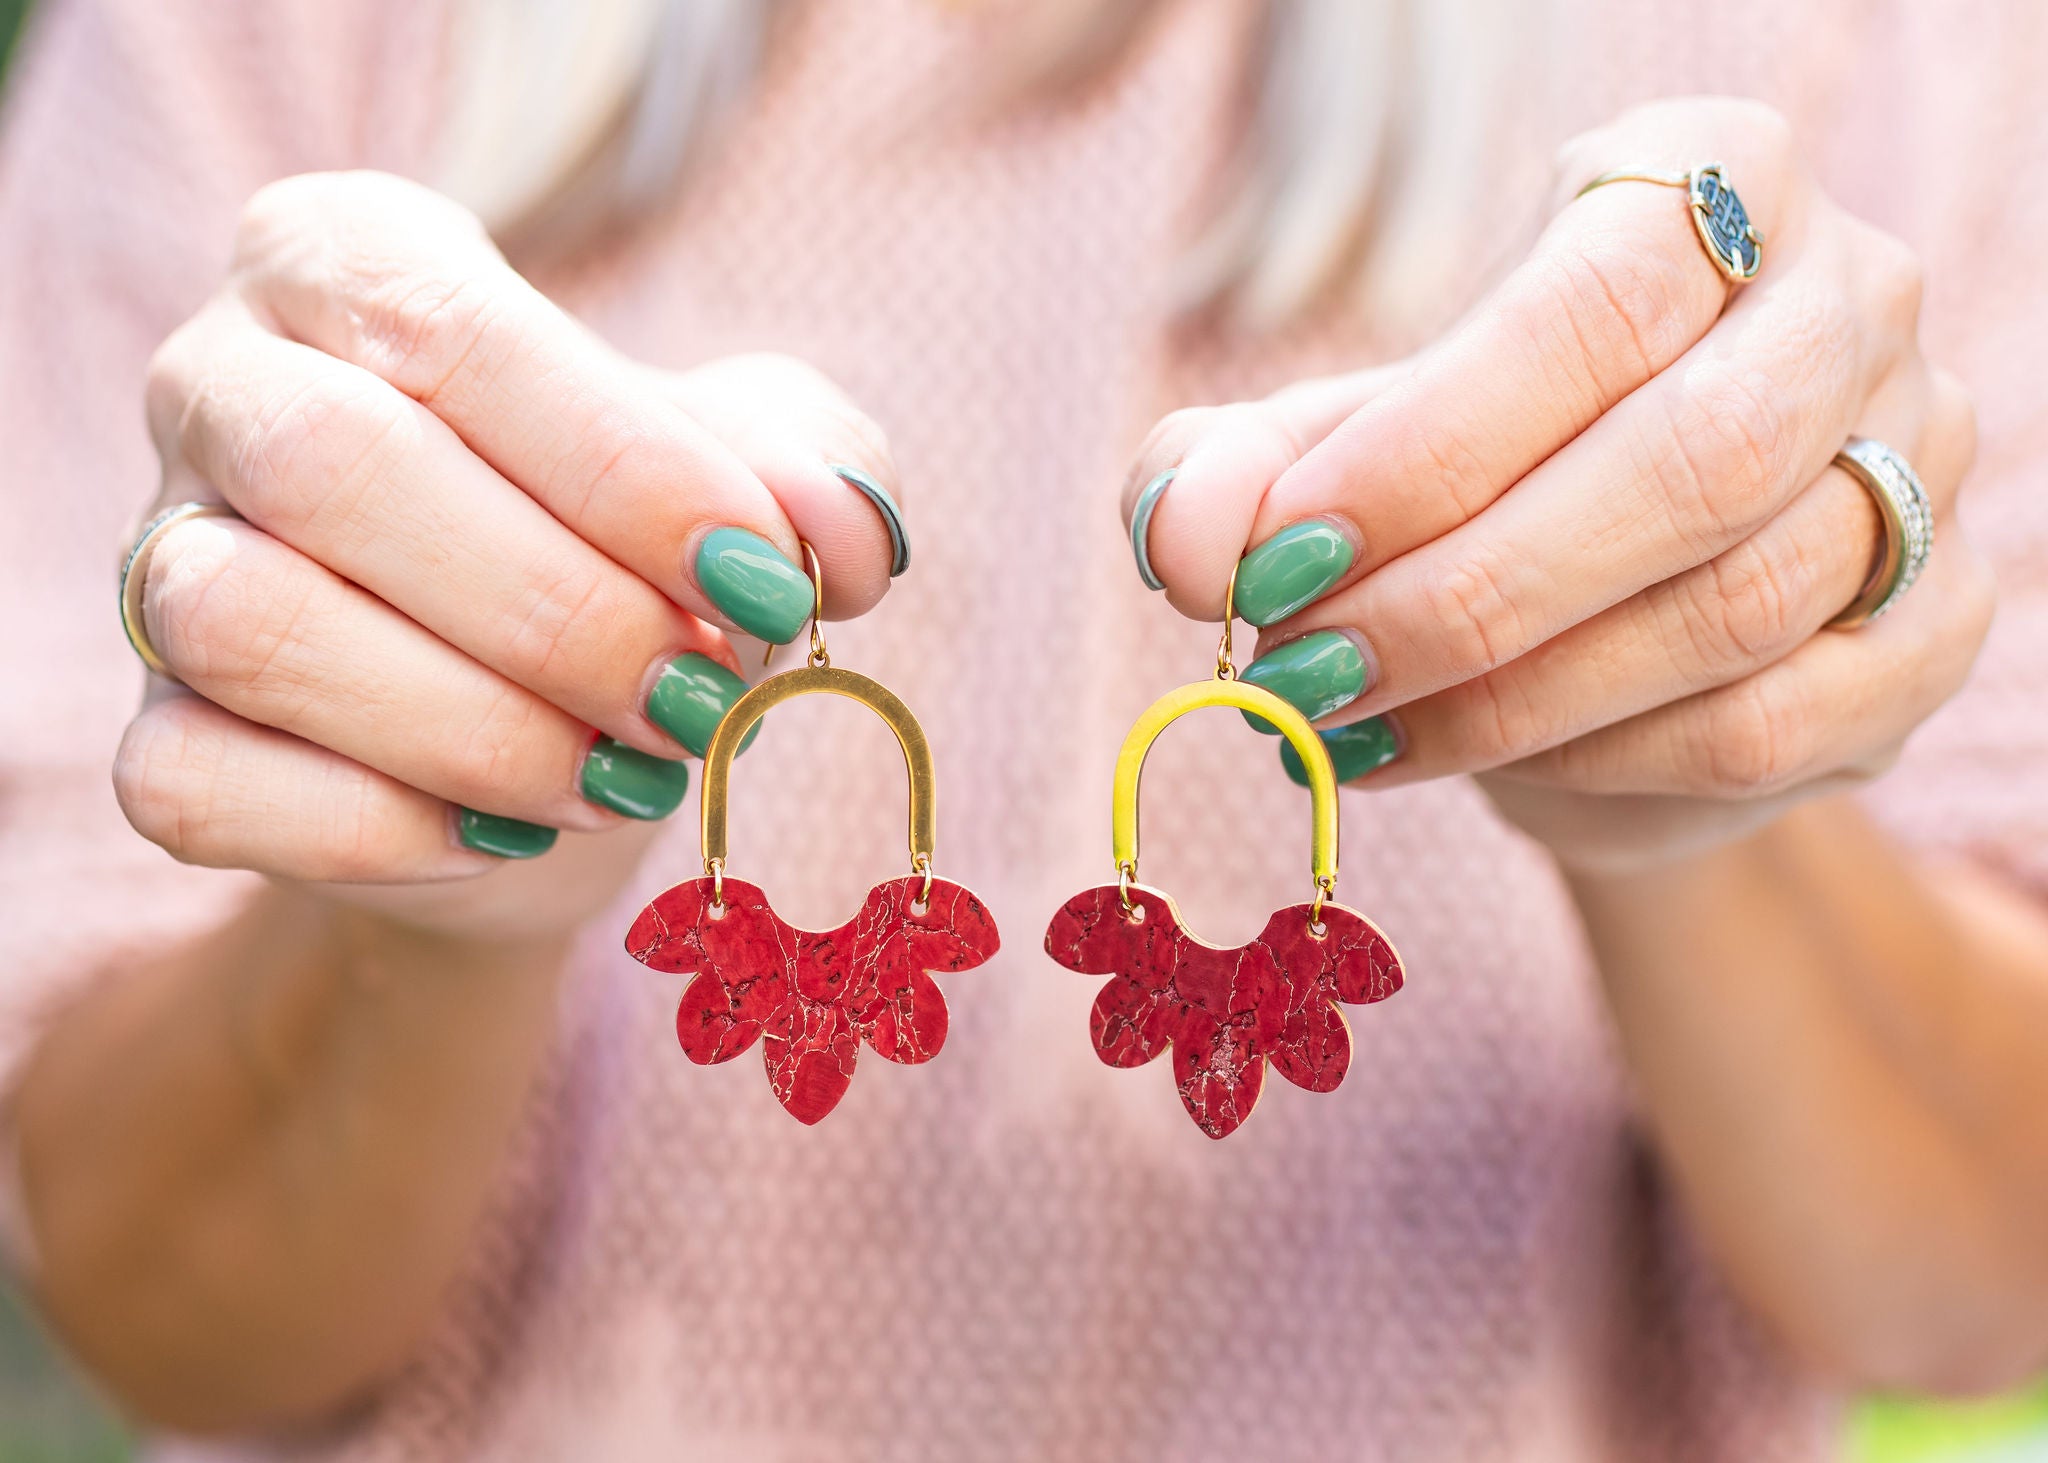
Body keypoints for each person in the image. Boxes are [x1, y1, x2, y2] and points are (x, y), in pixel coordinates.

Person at [2, 0, 2045, 1457]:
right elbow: (160, 1300)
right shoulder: (242, 34)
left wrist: (1689, 805)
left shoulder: (1890, 46)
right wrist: (429, 888)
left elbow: (1974, 1277)